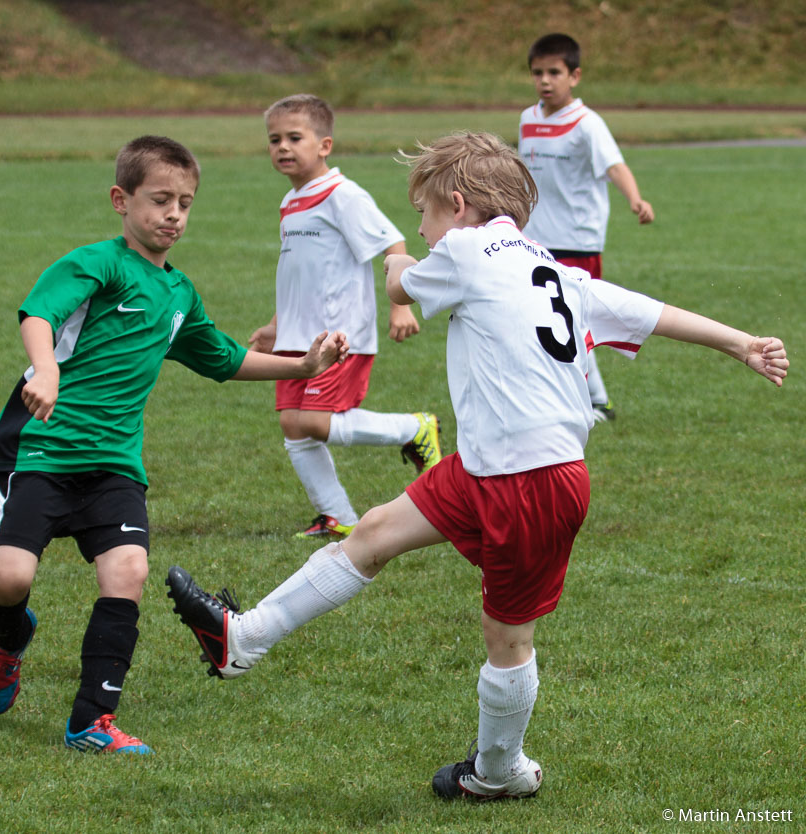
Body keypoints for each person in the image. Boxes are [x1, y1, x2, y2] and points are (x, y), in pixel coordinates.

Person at [165, 132, 787, 797]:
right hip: (499, 466)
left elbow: (402, 281)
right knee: (373, 533)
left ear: (457, 205)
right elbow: (647, 311)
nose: (423, 229)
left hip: (527, 478)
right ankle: (242, 639)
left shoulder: (465, 247)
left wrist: (396, 259)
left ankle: (499, 774)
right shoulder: (550, 267)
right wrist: (740, 341)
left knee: (507, 637)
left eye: (424, 215)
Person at [0, 135, 348, 755]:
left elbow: (223, 358)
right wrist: (44, 369)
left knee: (128, 573)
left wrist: (302, 367)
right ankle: (9, 643)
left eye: (185, 203)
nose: (174, 215)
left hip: (116, 465)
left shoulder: (178, 294)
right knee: (10, 579)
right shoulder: (97, 264)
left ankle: (91, 721)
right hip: (45, 455)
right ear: (121, 200)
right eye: (160, 201)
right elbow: (38, 314)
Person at [248, 94, 442, 539]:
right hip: (297, 335)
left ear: (325, 144)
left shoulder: (343, 195)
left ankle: (415, 428)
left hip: (339, 335)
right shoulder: (291, 201)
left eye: (295, 137)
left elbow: (394, 245)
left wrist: (400, 305)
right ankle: (337, 516)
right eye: (274, 139)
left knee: (316, 420)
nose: (282, 147)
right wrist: (277, 324)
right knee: (293, 424)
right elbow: (299, 272)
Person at [519, 32, 655, 423]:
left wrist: (635, 198)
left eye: (554, 72)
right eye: (537, 72)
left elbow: (614, 165)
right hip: (536, 238)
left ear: (574, 76)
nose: (545, 80)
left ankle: (593, 401)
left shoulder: (587, 123)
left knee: (574, 320)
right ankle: (591, 399)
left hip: (577, 238)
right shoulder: (528, 118)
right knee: (550, 319)